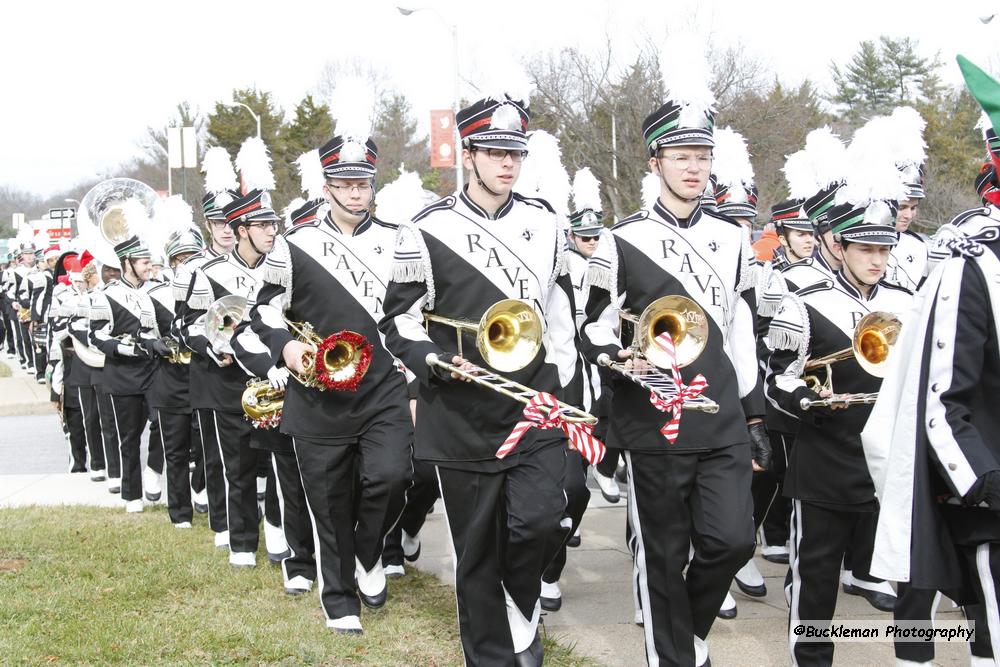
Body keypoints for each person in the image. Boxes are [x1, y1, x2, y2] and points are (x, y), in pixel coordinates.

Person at [380, 73, 583, 665]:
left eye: (515, 153)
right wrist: (429, 361)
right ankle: (492, 653)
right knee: (475, 551)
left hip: (535, 403)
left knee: (543, 519)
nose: (507, 164)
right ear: (466, 155)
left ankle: (521, 610)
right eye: (494, 152)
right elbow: (398, 320)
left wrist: (569, 388)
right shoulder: (427, 227)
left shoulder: (547, 222)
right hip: (461, 409)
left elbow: (560, 313)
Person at [581, 37, 768, 667]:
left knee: (732, 540)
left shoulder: (732, 237)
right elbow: (594, 327)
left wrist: (756, 411)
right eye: (682, 156)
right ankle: (673, 654)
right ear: (656, 160)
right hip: (653, 414)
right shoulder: (621, 241)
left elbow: (740, 327)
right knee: (662, 550)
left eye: (703, 156)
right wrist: (621, 361)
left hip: (719, 414)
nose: (694, 168)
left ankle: (684, 625)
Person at [238, 113, 413, 632]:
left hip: (382, 386)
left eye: (362, 183)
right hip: (318, 393)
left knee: (393, 476)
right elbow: (263, 311)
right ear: (327, 186)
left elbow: (410, 314)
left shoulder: (402, 241)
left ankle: (368, 552)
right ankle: (338, 599)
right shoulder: (292, 245)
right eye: (344, 184)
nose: (355, 192)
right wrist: (287, 349)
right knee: (329, 502)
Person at [766, 136, 915, 664]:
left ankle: (912, 655)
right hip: (828, 460)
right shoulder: (804, 305)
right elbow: (776, 380)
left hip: (890, 465)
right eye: (866, 249)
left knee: (910, 582)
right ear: (841, 246)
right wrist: (804, 399)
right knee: (818, 583)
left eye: (884, 249)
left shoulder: (908, 303)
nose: (877, 259)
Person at [180, 147, 278, 567]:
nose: (272, 231)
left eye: (273, 224)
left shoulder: (282, 266)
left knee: (277, 463)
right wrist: (214, 345)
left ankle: (279, 533)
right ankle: (241, 541)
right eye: (263, 224)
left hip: (275, 376)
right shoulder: (207, 272)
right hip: (226, 380)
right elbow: (184, 325)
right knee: (234, 464)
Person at [173, 147, 239, 543]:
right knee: (215, 455)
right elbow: (181, 326)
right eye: (219, 222)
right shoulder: (194, 270)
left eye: (234, 221)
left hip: (257, 373)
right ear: (208, 224)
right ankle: (223, 522)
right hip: (213, 376)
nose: (228, 229)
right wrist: (212, 345)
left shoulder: (267, 263)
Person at [88, 212, 159, 514]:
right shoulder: (107, 295)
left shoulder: (157, 289)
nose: (149, 267)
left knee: (166, 425)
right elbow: (95, 335)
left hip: (157, 373)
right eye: (143, 262)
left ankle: (154, 470)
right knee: (129, 437)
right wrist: (122, 348)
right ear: (127, 263)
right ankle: (132, 495)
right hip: (124, 375)